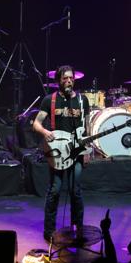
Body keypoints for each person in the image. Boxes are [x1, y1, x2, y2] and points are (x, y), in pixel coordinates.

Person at [32, 65, 90, 242]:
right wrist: (45, 132)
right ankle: (49, 231)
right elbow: (36, 123)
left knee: (75, 191)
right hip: (57, 153)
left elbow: (87, 128)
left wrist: (88, 150)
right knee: (55, 190)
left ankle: (76, 229)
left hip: (77, 152)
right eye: (65, 78)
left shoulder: (82, 100)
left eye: (71, 78)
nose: (69, 81)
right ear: (59, 81)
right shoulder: (49, 100)